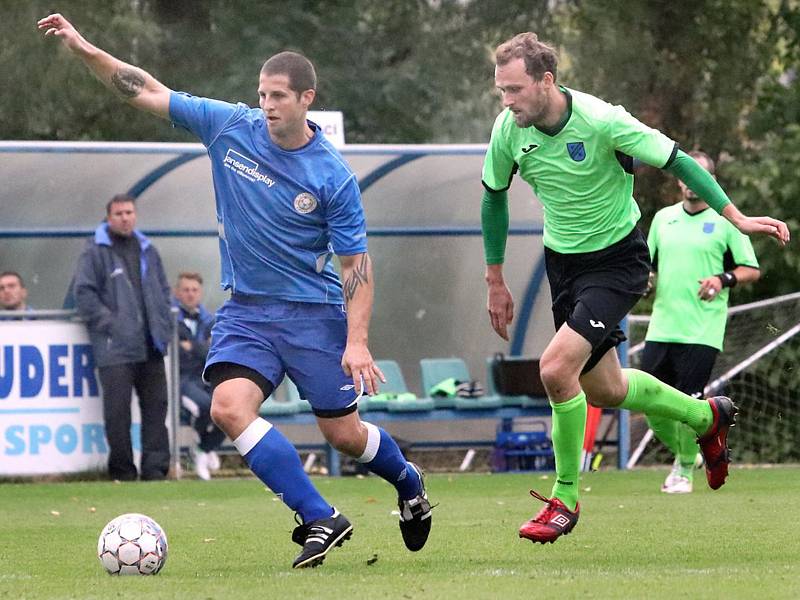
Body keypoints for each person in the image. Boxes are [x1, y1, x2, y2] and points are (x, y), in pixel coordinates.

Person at [38, 13, 431, 568]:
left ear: (306, 99)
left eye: (278, 96)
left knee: (342, 434)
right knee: (227, 408)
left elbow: (356, 267)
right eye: (262, 94)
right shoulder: (229, 126)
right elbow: (145, 89)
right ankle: (320, 516)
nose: (267, 104)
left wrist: (358, 339)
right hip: (247, 310)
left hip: (314, 314)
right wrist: (83, 49)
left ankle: (408, 480)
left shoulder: (332, 175)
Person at [480, 33, 789, 544]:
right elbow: (494, 197)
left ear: (546, 81)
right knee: (607, 388)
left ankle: (565, 499)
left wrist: (736, 217)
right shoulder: (508, 130)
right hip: (564, 265)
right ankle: (705, 415)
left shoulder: (602, 120)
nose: (506, 102)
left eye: (514, 90)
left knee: (556, 370)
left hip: (617, 261)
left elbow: (679, 161)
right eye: (500, 92)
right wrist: (494, 278)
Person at [642, 151, 760, 494]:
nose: (692, 184)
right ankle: (689, 452)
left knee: (688, 401)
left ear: (711, 180)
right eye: (687, 177)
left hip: (702, 328)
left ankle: (682, 471)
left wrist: (722, 279)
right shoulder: (663, 219)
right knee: (647, 401)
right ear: (679, 180)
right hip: (662, 325)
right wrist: (644, 281)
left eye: (700, 177)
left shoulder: (726, 222)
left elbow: (751, 269)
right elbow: (645, 265)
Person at [73, 193, 173, 481]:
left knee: (156, 411)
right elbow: (84, 294)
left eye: (129, 212)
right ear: (108, 217)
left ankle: (155, 472)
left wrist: (163, 326)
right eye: (119, 213)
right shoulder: (94, 251)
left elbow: (163, 291)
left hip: (151, 345)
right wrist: (112, 324)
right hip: (115, 349)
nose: (125, 218)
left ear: (135, 215)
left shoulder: (148, 249)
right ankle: (122, 473)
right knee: (117, 415)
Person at [173, 271, 225, 480]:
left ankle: (203, 447)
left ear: (200, 293)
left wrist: (190, 346)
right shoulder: (170, 319)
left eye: (194, 290)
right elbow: (176, 355)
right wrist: (201, 346)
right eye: (185, 290)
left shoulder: (210, 320)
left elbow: (212, 351)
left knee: (227, 407)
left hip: (205, 377)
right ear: (177, 293)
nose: (190, 294)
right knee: (204, 406)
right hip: (182, 381)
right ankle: (203, 450)